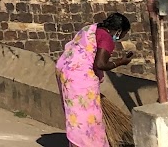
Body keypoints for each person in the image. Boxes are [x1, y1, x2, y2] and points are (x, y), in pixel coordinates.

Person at [56, 13, 132, 146]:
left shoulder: (89, 29)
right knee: (88, 118)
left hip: (66, 72)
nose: (121, 37)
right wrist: (120, 62)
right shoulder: (106, 38)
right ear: (119, 31)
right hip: (80, 78)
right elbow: (100, 64)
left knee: (75, 116)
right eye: (124, 34)